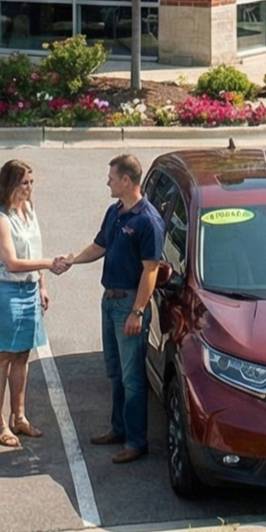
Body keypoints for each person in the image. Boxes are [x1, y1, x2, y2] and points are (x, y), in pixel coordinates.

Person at [53, 154, 165, 464]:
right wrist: (73, 259)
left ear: (126, 181)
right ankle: (119, 428)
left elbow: (150, 271)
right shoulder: (115, 212)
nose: (108, 182)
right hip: (110, 301)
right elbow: (100, 245)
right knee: (115, 372)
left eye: (112, 178)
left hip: (129, 305)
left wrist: (138, 312)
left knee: (132, 379)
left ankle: (136, 442)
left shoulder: (148, 221)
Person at [0, 159, 58, 449]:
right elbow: (12, 262)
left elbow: (34, 248)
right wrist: (50, 264)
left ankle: (19, 416)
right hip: (6, 293)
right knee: (4, 356)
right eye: (23, 183)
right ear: (9, 184)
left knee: (22, 356)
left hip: (29, 291)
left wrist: (42, 283)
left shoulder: (29, 210)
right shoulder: (0, 219)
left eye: (31, 182)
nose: (28, 188)